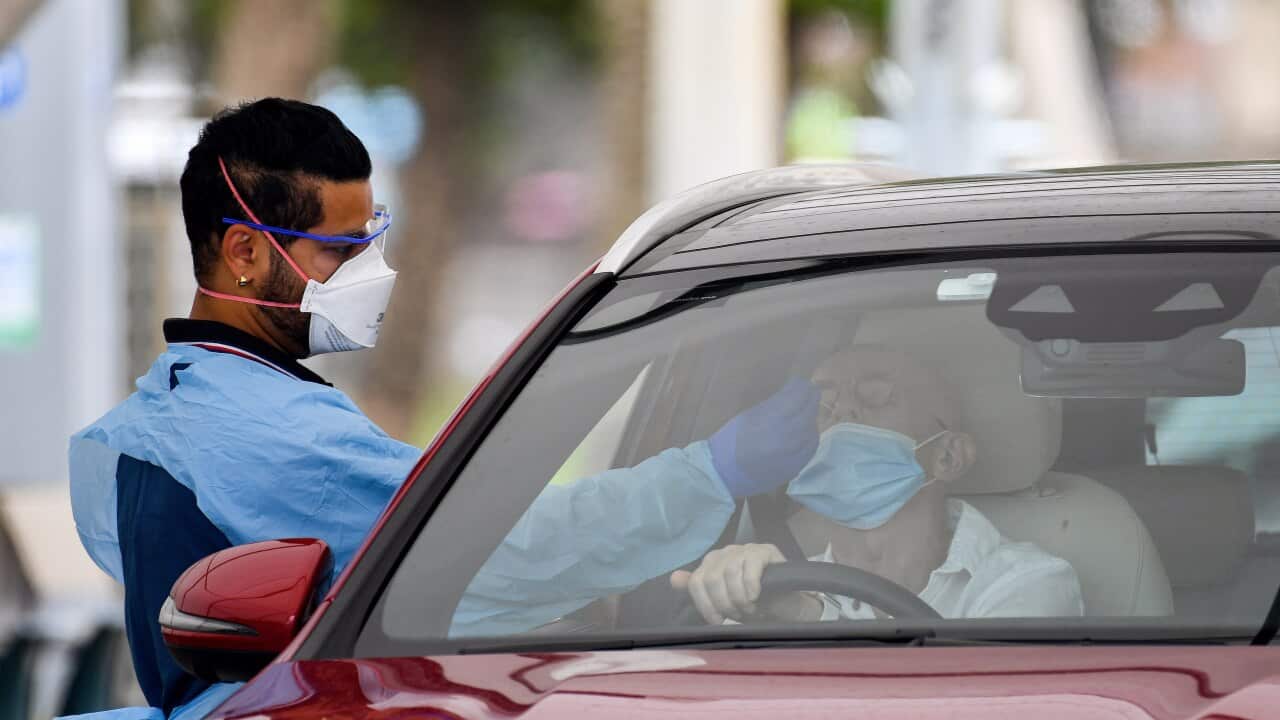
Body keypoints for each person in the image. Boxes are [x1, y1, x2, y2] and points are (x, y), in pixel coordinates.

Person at [66, 98, 821, 719]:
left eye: (369, 241)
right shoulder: (265, 433)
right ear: (243, 252)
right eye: (338, 252)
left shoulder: (193, 397)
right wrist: (711, 473)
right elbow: (502, 546)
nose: (370, 272)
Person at [671, 345, 1084, 625]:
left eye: (876, 397)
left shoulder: (1028, 583)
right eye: (822, 407)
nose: (843, 412)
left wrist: (813, 622)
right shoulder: (776, 590)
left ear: (948, 456)